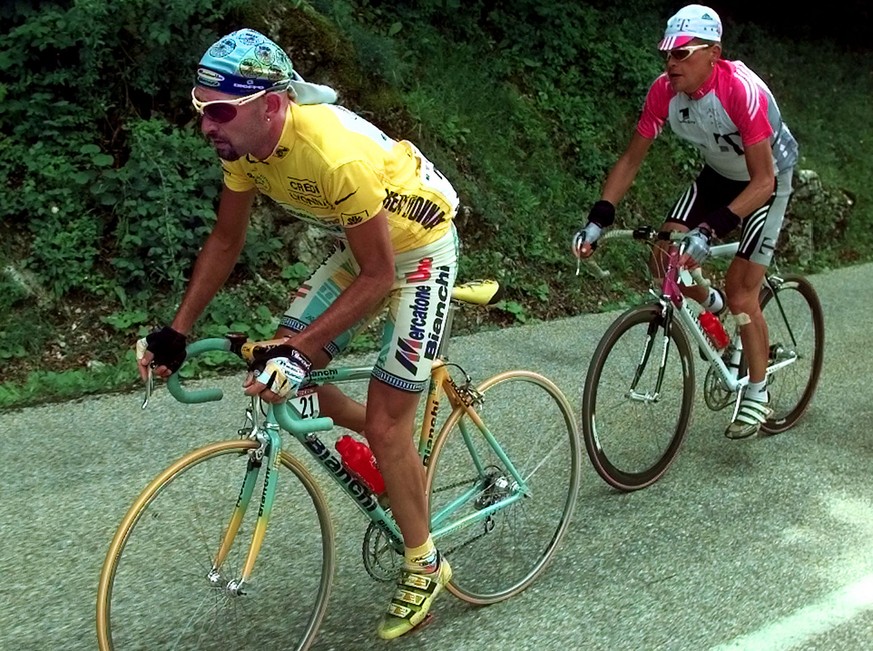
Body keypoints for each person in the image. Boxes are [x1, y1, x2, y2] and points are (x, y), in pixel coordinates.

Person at [135, 28, 458, 640]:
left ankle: (425, 559)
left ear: (272, 104)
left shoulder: (334, 154)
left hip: (419, 254)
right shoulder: (244, 150)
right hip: (368, 248)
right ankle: (397, 456)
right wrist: (177, 332)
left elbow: (379, 274)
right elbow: (226, 241)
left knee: (378, 414)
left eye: (221, 111)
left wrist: (302, 347)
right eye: (199, 108)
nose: (207, 126)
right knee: (280, 376)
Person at [572, 4, 798, 440]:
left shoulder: (740, 92)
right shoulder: (664, 92)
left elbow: (764, 180)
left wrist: (711, 228)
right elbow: (630, 160)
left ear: (713, 53)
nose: (671, 63)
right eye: (667, 55)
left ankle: (758, 387)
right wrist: (599, 217)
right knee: (665, 256)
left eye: (683, 54)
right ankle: (715, 311)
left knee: (741, 291)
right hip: (718, 176)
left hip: (766, 179)